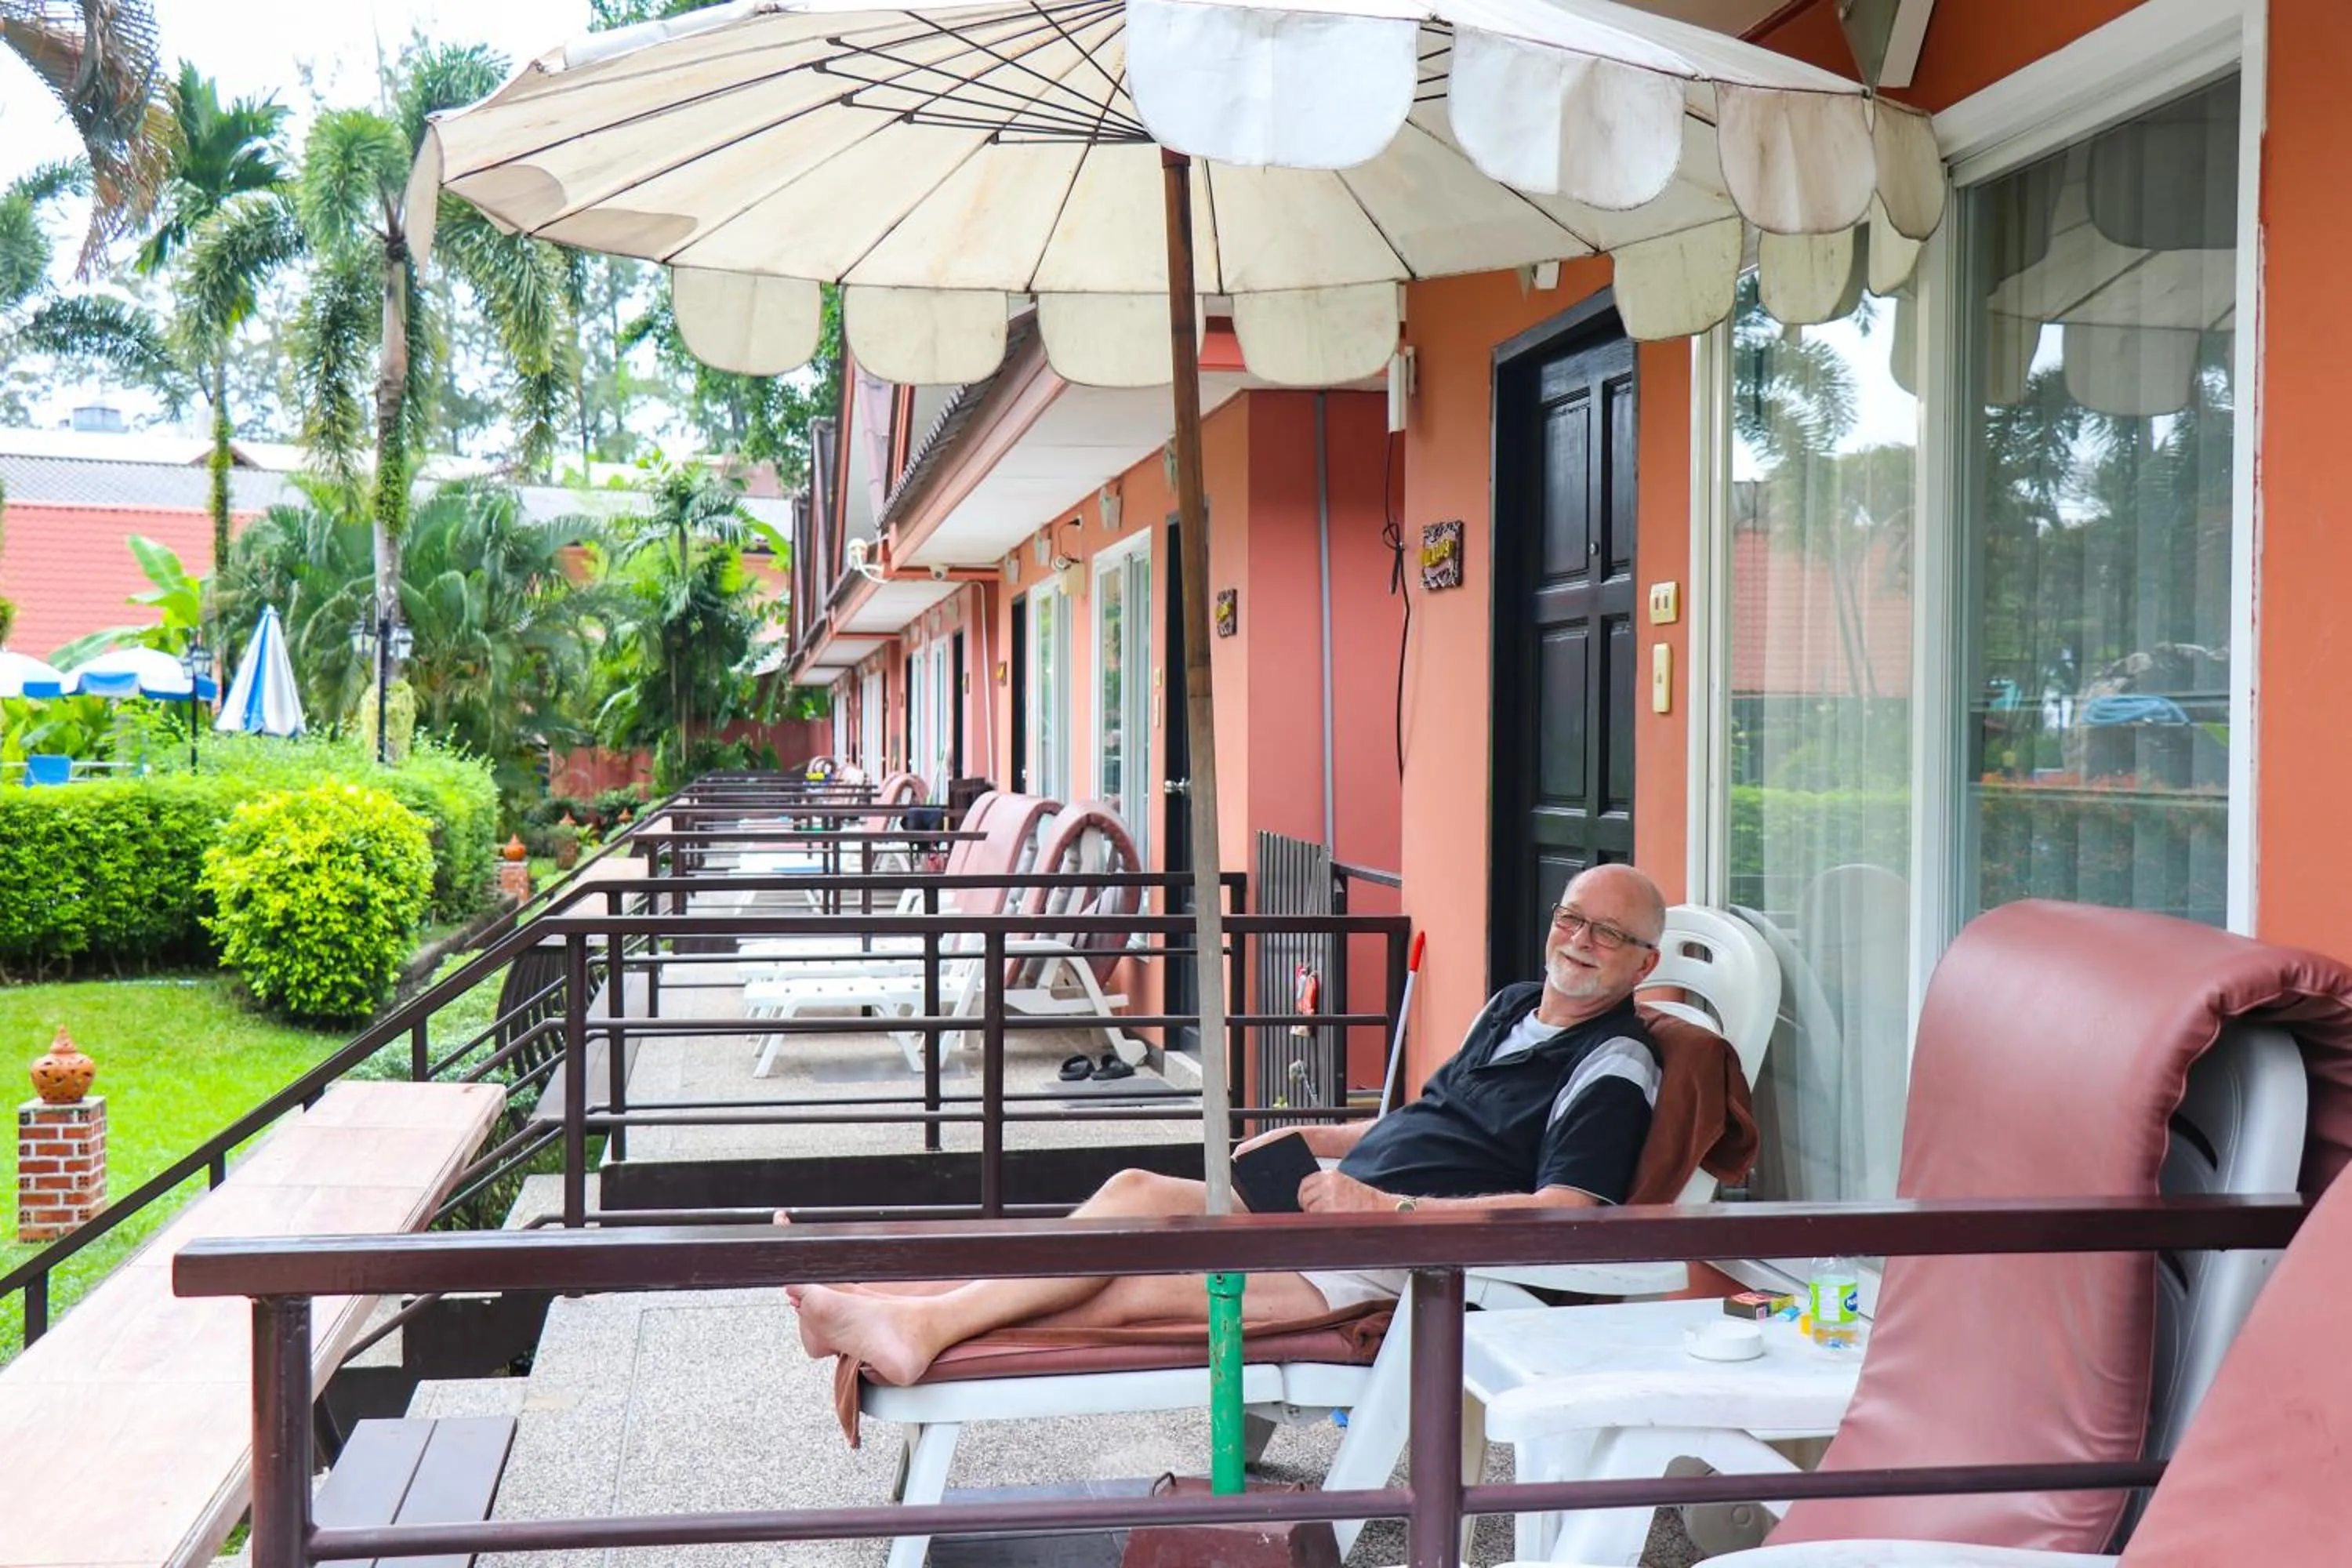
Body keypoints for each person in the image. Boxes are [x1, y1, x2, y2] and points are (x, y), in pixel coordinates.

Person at [789, 862, 1668, 1386]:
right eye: (1571, 918)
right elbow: (1427, 1125)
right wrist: (1317, 1139)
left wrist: (1390, 1213)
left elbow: (1567, 1211)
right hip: (1328, 1202)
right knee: (1132, 1190)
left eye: (1608, 932)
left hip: (1397, 1262)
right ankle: (912, 1308)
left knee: (1125, 1292)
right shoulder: (1514, 1005)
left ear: (1645, 961)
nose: (1580, 939)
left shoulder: (1615, 1063)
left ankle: (915, 1324)